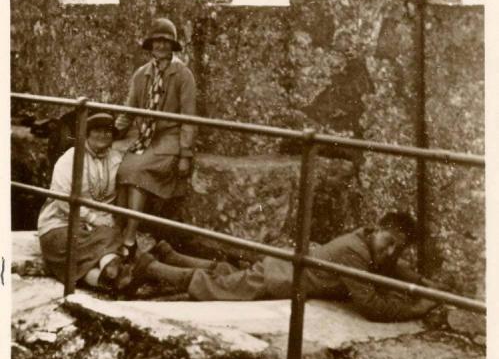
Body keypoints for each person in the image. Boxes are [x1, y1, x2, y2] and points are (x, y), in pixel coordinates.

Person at [130, 211, 438, 321]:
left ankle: (171, 255)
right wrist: (416, 308)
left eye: (399, 247)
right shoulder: (354, 252)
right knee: (215, 288)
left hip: (282, 268)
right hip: (278, 279)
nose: (391, 251)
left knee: (229, 276)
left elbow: (392, 266)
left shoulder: (365, 238)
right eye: (390, 241)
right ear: (377, 228)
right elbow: (371, 305)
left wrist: (421, 281)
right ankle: (151, 267)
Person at [114, 17, 196, 259]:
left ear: (173, 46)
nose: (160, 46)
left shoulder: (183, 75)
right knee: (121, 170)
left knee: (137, 172)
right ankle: (118, 234)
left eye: (166, 41)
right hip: (145, 138)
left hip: (169, 139)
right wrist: (112, 133)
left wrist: (185, 154)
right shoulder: (141, 75)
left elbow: (189, 118)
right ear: (150, 45)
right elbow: (129, 111)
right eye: (156, 41)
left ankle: (129, 238)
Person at [37, 113, 133, 291]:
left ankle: (109, 278)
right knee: (107, 238)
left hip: (96, 230)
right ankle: (113, 268)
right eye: (97, 130)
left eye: (107, 132)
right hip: (61, 224)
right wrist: (94, 219)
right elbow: (62, 199)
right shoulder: (70, 159)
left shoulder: (116, 159)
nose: (103, 135)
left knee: (111, 235)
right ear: (86, 133)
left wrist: (107, 220)